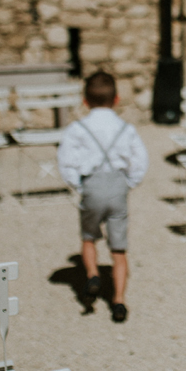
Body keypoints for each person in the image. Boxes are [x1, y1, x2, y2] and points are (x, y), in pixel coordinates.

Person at [57, 70, 149, 323]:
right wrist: (129, 183)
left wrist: (78, 185)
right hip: (117, 186)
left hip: (92, 186)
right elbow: (140, 160)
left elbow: (66, 161)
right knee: (119, 248)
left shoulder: (77, 128)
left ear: (85, 101)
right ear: (116, 99)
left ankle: (93, 275)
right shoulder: (125, 128)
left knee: (88, 237)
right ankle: (118, 301)